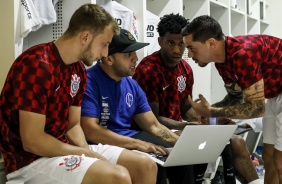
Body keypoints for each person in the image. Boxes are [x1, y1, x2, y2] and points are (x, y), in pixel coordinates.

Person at [0, 4, 158, 184]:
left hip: (62, 149)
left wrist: (87, 153)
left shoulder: (79, 71)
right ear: (85, 37)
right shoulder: (37, 63)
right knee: (117, 176)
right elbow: (32, 140)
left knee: (145, 165)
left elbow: (73, 125)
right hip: (29, 161)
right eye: (104, 44)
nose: (105, 53)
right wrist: (83, 153)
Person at [133, 13, 260, 184]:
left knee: (234, 140)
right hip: (151, 130)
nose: (177, 50)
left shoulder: (185, 69)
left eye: (181, 44)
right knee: (194, 144)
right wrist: (184, 126)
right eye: (171, 43)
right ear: (160, 41)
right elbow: (151, 119)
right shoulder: (148, 70)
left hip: (179, 127)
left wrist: (208, 119)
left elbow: (185, 107)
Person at [80, 28, 208, 184]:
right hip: (101, 143)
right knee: (156, 165)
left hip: (129, 137)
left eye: (134, 53)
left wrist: (181, 144)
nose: (135, 58)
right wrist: (138, 144)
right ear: (108, 59)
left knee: (181, 158)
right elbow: (90, 130)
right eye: (128, 55)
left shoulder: (132, 85)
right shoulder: (89, 81)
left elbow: (153, 125)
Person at [182, 15, 282, 184]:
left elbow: (257, 109)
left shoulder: (242, 53)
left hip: (274, 96)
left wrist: (212, 111)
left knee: (280, 160)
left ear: (211, 43)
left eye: (192, 48)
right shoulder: (221, 62)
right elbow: (235, 97)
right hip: (274, 95)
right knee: (269, 156)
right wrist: (210, 111)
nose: (189, 55)